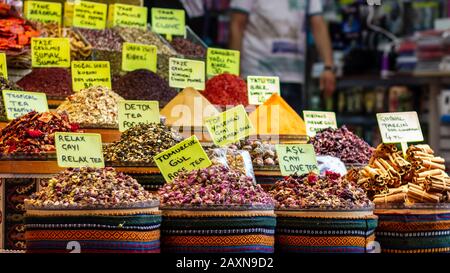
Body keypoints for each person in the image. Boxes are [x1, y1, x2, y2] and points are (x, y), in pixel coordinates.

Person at [229, 0, 336, 113]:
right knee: (258, 128)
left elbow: (318, 23)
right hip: (257, 75)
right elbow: (237, 24)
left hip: (293, 77)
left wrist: (328, 67)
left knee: (292, 129)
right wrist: (235, 74)